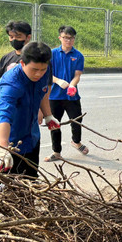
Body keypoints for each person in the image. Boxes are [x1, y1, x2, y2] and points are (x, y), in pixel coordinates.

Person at [0, 42, 61, 178]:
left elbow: (43, 92)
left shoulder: (43, 72)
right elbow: (2, 114)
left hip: (32, 138)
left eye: (43, 69)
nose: (39, 74)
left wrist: (48, 115)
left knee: (31, 180)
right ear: (22, 63)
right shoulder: (11, 83)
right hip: (12, 143)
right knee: (11, 190)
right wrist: (2, 148)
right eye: (34, 69)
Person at [0, 21, 44, 124]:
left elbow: (42, 86)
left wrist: (40, 109)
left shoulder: (36, 58)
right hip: (8, 108)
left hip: (28, 110)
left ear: (28, 37)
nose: (14, 40)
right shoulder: (6, 58)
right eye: (11, 37)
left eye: (18, 36)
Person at [44, 26, 87, 162]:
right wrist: (57, 81)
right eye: (65, 37)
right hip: (54, 96)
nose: (68, 40)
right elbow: (46, 74)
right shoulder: (51, 54)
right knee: (54, 124)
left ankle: (76, 142)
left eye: (71, 38)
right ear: (60, 38)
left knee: (77, 120)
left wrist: (72, 84)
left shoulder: (78, 55)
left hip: (71, 95)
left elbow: (77, 75)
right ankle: (56, 152)